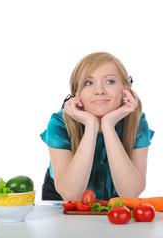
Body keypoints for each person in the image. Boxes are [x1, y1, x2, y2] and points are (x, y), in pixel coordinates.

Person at [40, 52, 154, 201]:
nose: (99, 90)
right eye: (88, 82)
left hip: (115, 201)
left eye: (110, 81)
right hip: (62, 202)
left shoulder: (137, 122)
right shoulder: (59, 123)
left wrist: (108, 126)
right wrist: (91, 125)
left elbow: (130, 194)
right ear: (76, 91)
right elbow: (71, 195)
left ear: (125, 88)